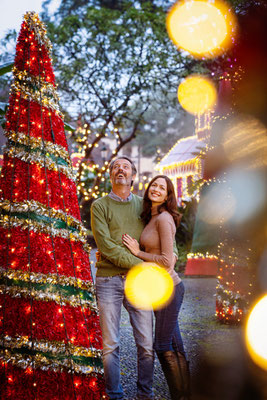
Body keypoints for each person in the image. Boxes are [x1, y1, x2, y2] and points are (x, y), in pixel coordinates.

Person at [91, 156, 154, 400]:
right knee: (110, 345)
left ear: (133, 175)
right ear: (110, 175)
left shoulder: (144, 205)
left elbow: (160, 234)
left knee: (147, 344)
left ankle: (145, 394)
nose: (120, 169)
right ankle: (115, 395)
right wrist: (140, 263)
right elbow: (105, 246)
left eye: (125, 166)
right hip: (108, 281)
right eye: (115, 166)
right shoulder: (100, 206)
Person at [122, 175, 190, 400]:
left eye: (163, 187)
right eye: (154, 185)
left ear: (168, 195)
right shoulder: (150, 217)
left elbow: (167, 261)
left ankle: (180, 395)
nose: (157, 189)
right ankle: (183, 395)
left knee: (162, 345)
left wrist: (137, 252)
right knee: (174, 344)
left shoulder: (163, 219)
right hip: (159, 288)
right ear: (148, 188)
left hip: (170, 287)